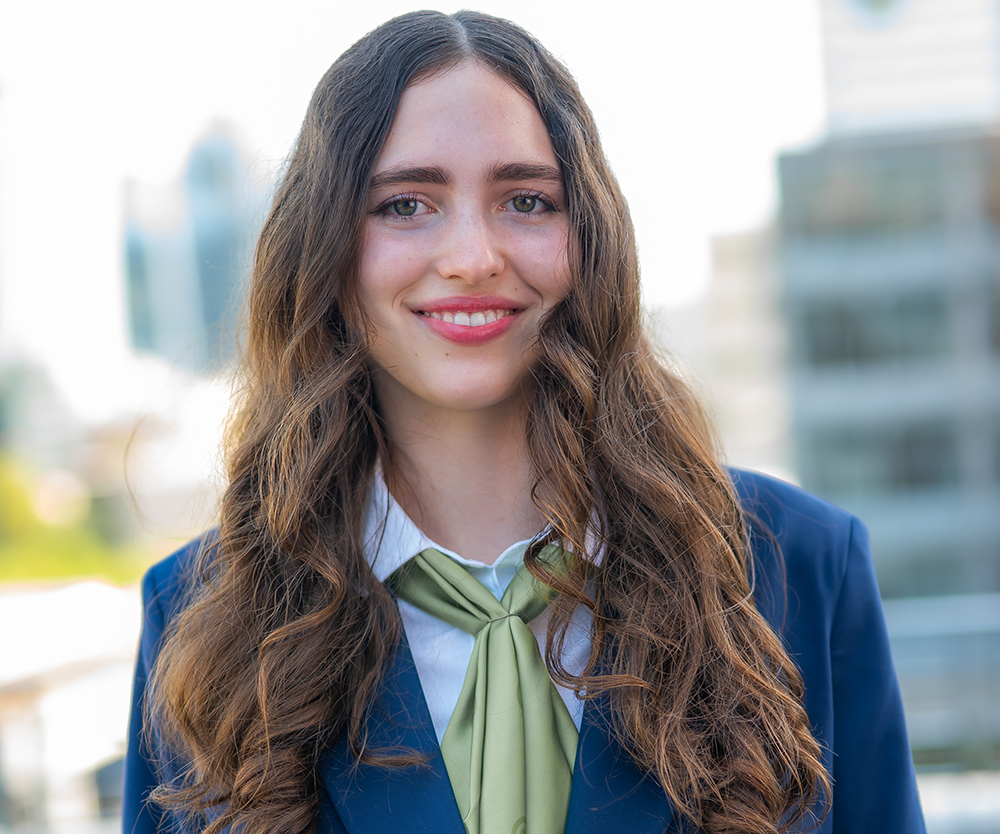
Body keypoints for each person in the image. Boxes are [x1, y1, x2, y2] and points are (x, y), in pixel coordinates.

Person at [123, 10, 926, 834]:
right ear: (324, 249)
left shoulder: (800, 571)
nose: (473, 255)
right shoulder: (201, 618)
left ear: (590, 239)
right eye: (405, 204)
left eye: (528, 200)